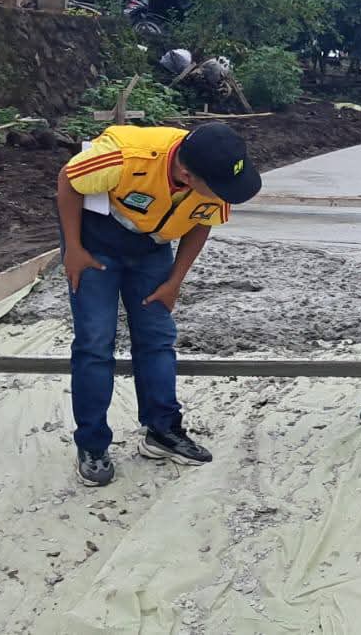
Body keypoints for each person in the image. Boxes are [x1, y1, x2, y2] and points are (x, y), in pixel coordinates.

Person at [56, 123, 262, 486]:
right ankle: (92, 444)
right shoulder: (124, 158)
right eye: (218, 188)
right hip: (95, 244)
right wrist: (74, 249)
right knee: (94, 342)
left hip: (151, 248)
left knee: (157, 338)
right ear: (185, 173)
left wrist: (174, 281)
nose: (224, 195)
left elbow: (202, 221)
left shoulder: (213, 176)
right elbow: (69, 179)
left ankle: (162, 431)